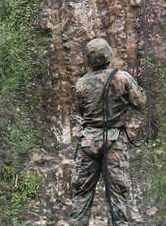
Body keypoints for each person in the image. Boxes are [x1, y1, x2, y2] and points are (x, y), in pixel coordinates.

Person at [69, 37, 146, 226]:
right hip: (114, 143)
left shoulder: (81, 84)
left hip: (88, 142)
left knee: (82, 194)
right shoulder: (122, 78)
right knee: (117, 195)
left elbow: (80, 110)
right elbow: (140, 103)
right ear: (108, 54)